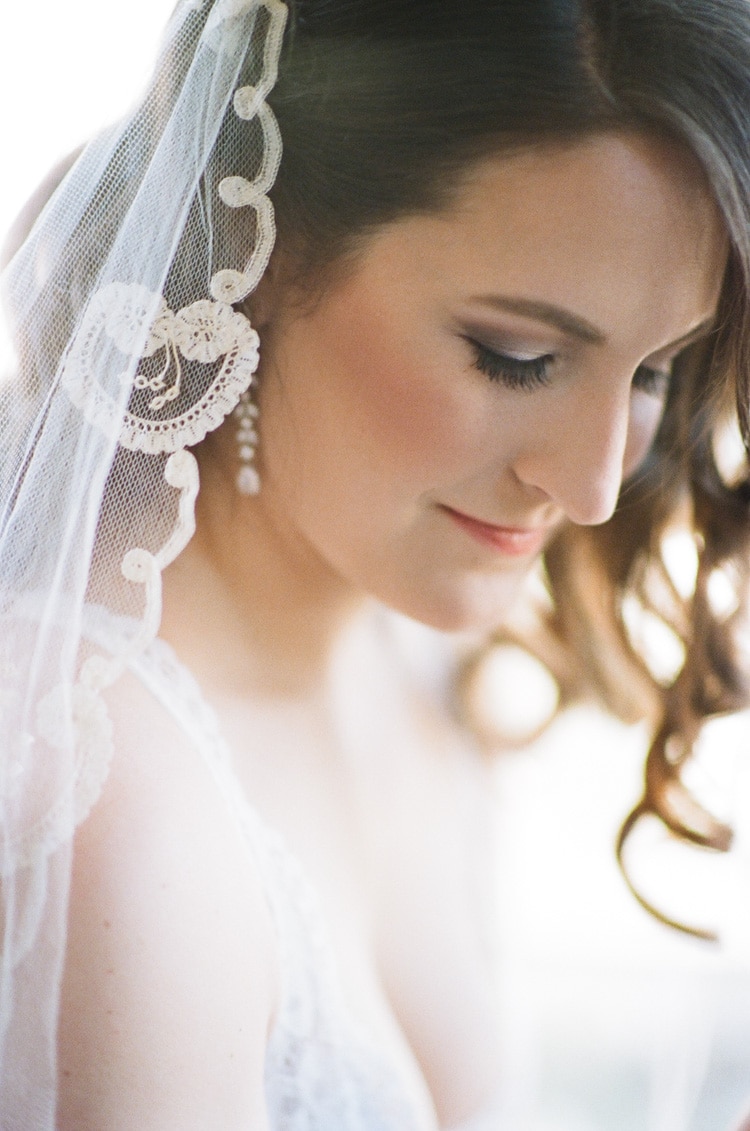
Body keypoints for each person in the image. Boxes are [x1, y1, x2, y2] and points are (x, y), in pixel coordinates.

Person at [1, 0, 750, 1127]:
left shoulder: (411, 643)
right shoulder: (111, 799)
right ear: (255, 250)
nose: (594, 489)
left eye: (653, 372)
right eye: (518, 359)